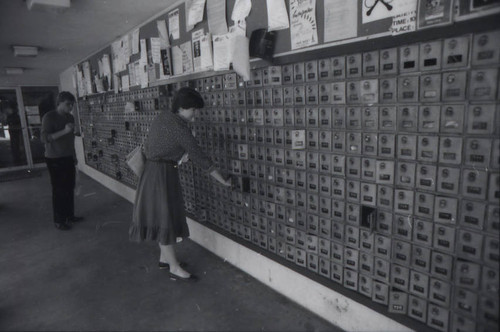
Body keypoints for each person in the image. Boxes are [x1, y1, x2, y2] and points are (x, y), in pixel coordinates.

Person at [129, 87, 231, 281]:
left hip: (153, 173)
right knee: (165, 220)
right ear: (183, 108)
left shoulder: (163, 117)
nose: (195, 114)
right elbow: (200, 158)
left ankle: (164, 259)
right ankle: (174, 268)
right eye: (193, 109)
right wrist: (223, 180)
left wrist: (176, 156)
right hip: (161, 176)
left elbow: (156, 146)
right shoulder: (180, 127)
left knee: (162, 218)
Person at [41, 91, 82, 231]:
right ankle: (59, 220)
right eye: (68, 104)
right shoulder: (49, 117)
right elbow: (44, 138)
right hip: (54, 158)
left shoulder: (70, 117)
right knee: (59, 190)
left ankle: (69, 215)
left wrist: (74, 156)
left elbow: (70, 140)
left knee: (69, 187)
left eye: (72, 104)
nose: (70, 107)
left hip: (67, 156)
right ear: (59, 103)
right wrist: (64, 131)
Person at [2, 101, 25, 165]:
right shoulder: (11, 116)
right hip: (13, 132)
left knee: (17, 145)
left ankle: (18, 159)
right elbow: (5, 123)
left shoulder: (15, 116)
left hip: (17, 132)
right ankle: (17, 158)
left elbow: (16, 123)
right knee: (14, 145)